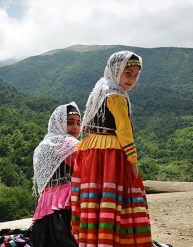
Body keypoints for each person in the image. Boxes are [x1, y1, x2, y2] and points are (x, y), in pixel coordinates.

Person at [71, 51, 152, 246]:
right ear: (116, 71)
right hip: (110, 154)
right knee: (117, 201)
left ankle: (93, 241)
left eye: (135, 75)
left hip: (90, 150)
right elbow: (124, 130)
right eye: (128, 73)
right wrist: (132, 161)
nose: (132, 79)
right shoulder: (116, 96)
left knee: (94, 200)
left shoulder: (100, 89)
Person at [30, 102, 81, 247]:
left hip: (45, 207)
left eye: (78, 123)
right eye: (70, 122)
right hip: (65, 204)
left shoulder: (43, 144)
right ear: (58, 123)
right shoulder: (67, 142)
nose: (75, 127)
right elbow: (87, 167)